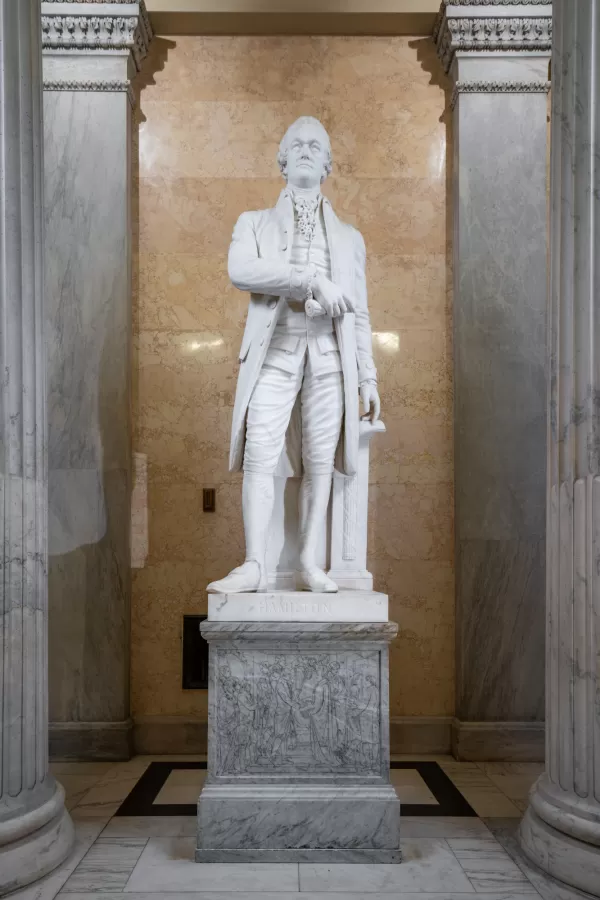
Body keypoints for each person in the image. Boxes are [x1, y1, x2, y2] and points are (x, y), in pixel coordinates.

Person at [208, 116, 380, 594]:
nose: (305, 150)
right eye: (296, 144)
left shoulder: (349, 238)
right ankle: (254, 564)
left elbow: (360, 313)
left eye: (315, 145)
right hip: (275, 350)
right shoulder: (254, 223)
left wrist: (368, 378)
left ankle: (308, 561)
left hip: (329, 355)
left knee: (320, 459)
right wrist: (309, 281)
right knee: (261, 453)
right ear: (282, 158)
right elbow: (242, 269)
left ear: (327, 162)